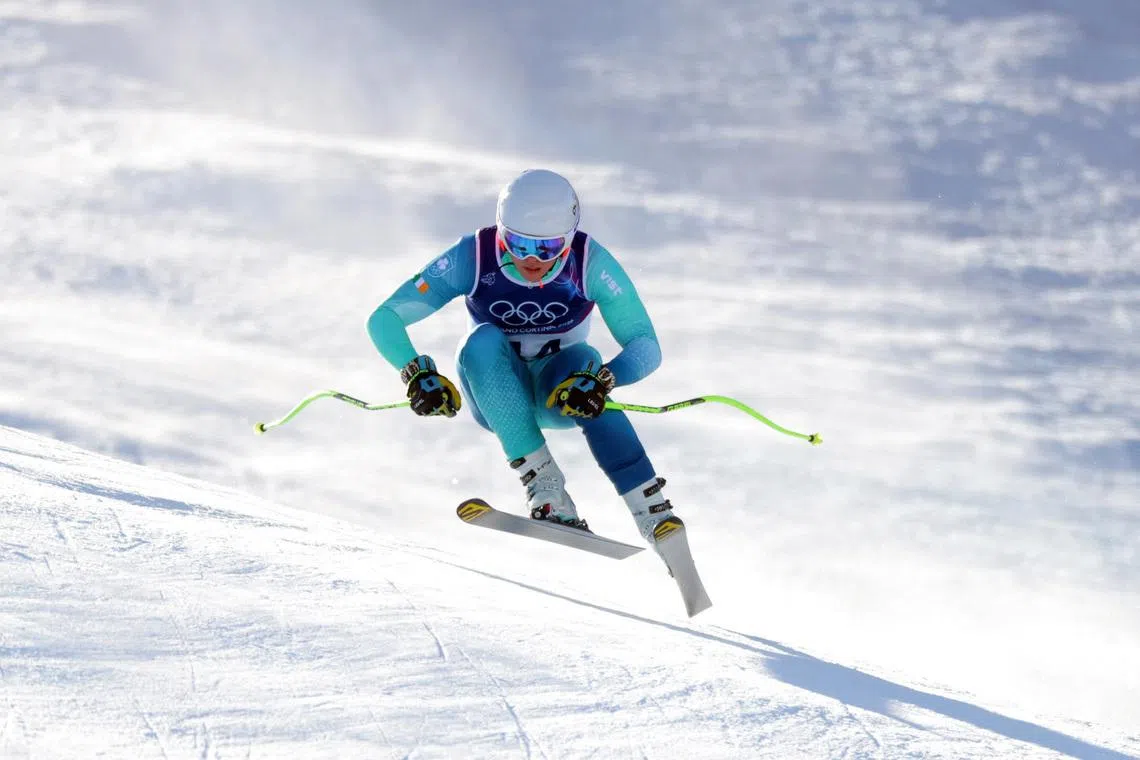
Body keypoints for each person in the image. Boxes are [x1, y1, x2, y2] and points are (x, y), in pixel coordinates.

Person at [366, 168, 682, 552]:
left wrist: (605, 379)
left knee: (585, 362)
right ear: (500, 230)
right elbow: (384, 318)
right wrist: (414, 373)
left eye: (547, 249)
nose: (531, 260)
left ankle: (653, 513)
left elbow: (646, 345)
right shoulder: (474, 255)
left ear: (568, 240)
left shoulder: (589, 262)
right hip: (495, 395)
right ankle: (545, 486)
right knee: (480, 341)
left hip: (561, 393)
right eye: (516, 243)